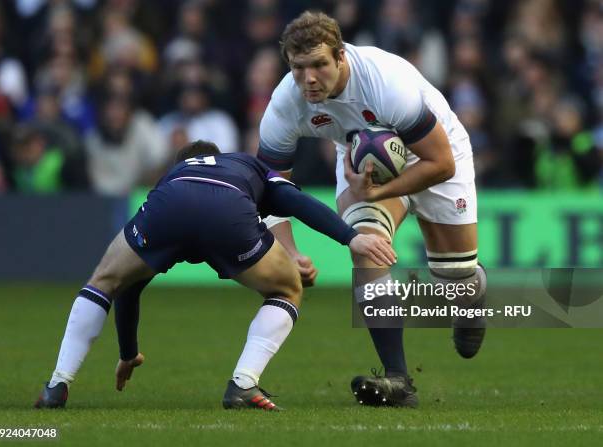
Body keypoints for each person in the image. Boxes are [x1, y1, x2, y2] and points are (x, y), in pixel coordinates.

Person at [34, 140, 396, 411]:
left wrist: (128, 352)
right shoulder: (245, 165)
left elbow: (127, 288)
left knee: (104, 281)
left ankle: (57, 384)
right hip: (227, 210)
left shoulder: (173, 174)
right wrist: (351, 237)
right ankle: (243, 384)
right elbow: (299, 203)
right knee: (288, 289)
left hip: (167, 205)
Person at [257, 11, 488, 408]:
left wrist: (376, 194)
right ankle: (399, 379)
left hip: (435, 152)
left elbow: (441, 164)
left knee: (455, 276)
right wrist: (289, 252)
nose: (308, 78)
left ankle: (471, 296)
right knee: (366, 248)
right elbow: (269, 186)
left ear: (341, 56)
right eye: (298, 68)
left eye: (319, 65)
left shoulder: (385, 83)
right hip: (362, 162)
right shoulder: (285, 103)